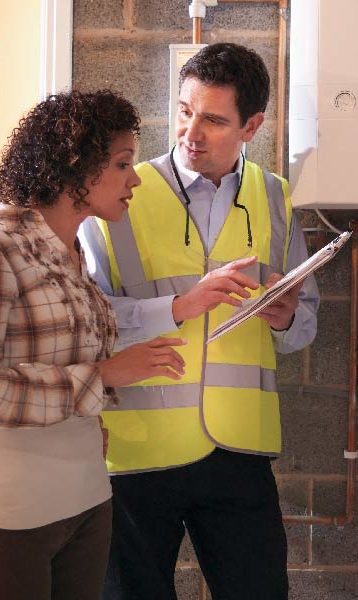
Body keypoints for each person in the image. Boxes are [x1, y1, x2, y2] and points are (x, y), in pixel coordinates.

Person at [80, 43, 319, 599]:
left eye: (213, 119)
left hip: (239, 454)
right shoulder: (118, 195)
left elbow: (302, 328)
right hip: (136, 454)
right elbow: (89, 322)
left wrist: (285, 318)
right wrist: (178, 307)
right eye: (185, 111)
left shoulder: (278, 199)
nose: (191, 132)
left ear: (251, 125)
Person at [0, 90, 188, 600]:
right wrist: (104, 376)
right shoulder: (6, 244)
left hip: (87, 500)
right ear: (74, 165)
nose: (136, 178)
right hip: (15, 513)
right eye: (122, 163)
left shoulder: (74, 253)